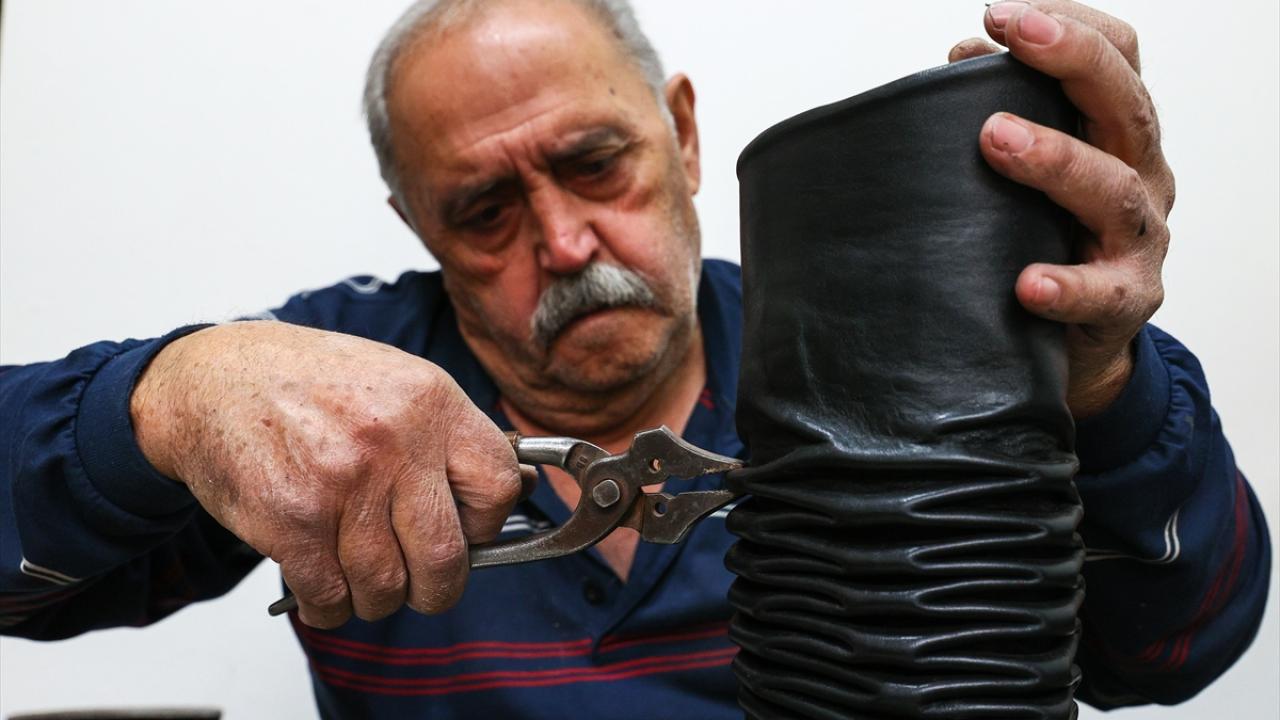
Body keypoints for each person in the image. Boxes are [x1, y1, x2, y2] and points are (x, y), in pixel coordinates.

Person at [0, 0, 1269, 717]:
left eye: (595, 162)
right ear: (415, 226)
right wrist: (165, 399)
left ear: (680, 134)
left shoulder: (902, 355)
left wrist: (1098, 385)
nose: (562, 243)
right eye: (481, 211)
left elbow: (1169, 656)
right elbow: (27, 597)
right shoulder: (333, 387)